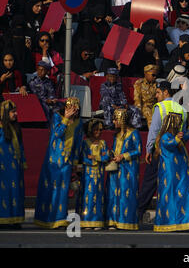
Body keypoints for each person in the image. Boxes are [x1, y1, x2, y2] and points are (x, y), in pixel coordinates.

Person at [138, 81, 187, 223]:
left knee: (149, 183)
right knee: (173, 183)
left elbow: (154, 130)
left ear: (166, 92)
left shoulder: (160, 107)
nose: (156, 95)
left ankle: (138, 214)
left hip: (159, 150)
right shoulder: (181, 109)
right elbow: (182, 132)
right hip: (175, 151)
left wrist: (148, 149)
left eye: (158, 92)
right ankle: (174, 216)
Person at [34, 97, 84, 229]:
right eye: (71, 108)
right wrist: (66, 119)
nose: (74, 110)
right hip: (54, 161)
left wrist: (74, 162)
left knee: (62, 191)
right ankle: (45, 219)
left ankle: (60, 219)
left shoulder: (79, 123)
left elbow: (78, 144)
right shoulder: (57, 117)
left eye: (76, 108)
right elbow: (57, 133)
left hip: (67, 162)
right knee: (50, 189)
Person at [153, 113, 189, 232]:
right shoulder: (165, 137)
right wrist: (178, 138)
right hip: (169, 172)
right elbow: (170, 144)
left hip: (181, 171)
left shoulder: (176, 136)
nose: (179, 126)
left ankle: (186, 221)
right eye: (178, 123)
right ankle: (169, 222)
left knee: (184, 193)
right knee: (170, 195)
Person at [105, 109, 142, 230]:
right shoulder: (117, 135)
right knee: (113, 193)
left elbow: (138, 150)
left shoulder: (134, 133)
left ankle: (125, 221)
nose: (114, 121)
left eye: (116, 119)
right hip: (116, 167)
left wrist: (123, 156)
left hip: (128, 169)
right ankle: (113, 221)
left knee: (126, 194)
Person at [79, 119, 109, 230]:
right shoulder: (86, 142)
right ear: (91, 130)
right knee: (88, 196)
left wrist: (96, 158)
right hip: (88, 175)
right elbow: (84, 158)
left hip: (99, 175)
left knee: (99, 196)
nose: (99, 132)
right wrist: (98, 159)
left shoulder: (103, 143)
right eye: (96, 130)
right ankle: (87, 220)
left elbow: (106, 157)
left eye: (100, 130)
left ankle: (97, 221)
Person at [0, 100, 26, 228]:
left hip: (15, 168)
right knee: (4, 193)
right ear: (5, 113)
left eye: (16, 111)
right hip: (3, 168)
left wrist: (23, 163)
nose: (16, 114)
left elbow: (21, 147)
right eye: (12, 112)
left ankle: (15, 219)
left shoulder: (16, 127)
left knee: (16, 192)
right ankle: (3, 220)